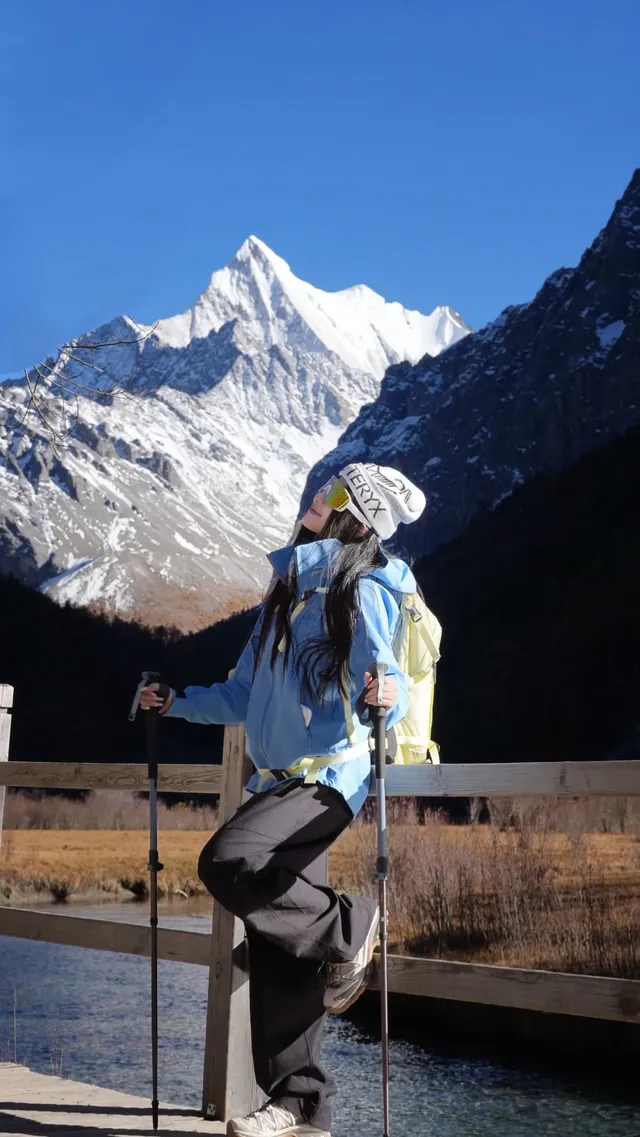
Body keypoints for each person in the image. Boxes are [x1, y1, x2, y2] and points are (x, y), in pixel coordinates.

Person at [141, 462, 426, 1137]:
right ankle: (302, 1105)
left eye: (335, 493)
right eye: (323, 487)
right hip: (278, 781)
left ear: (356, 517)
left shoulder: (362, 589)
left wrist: (388, 693)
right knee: (278, 939)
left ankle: (351, 927)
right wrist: (176, 702)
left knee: (228, 861)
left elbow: (385, 677)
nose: (318, 497)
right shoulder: (289, 590)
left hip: (326, 780)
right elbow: (241, 692)